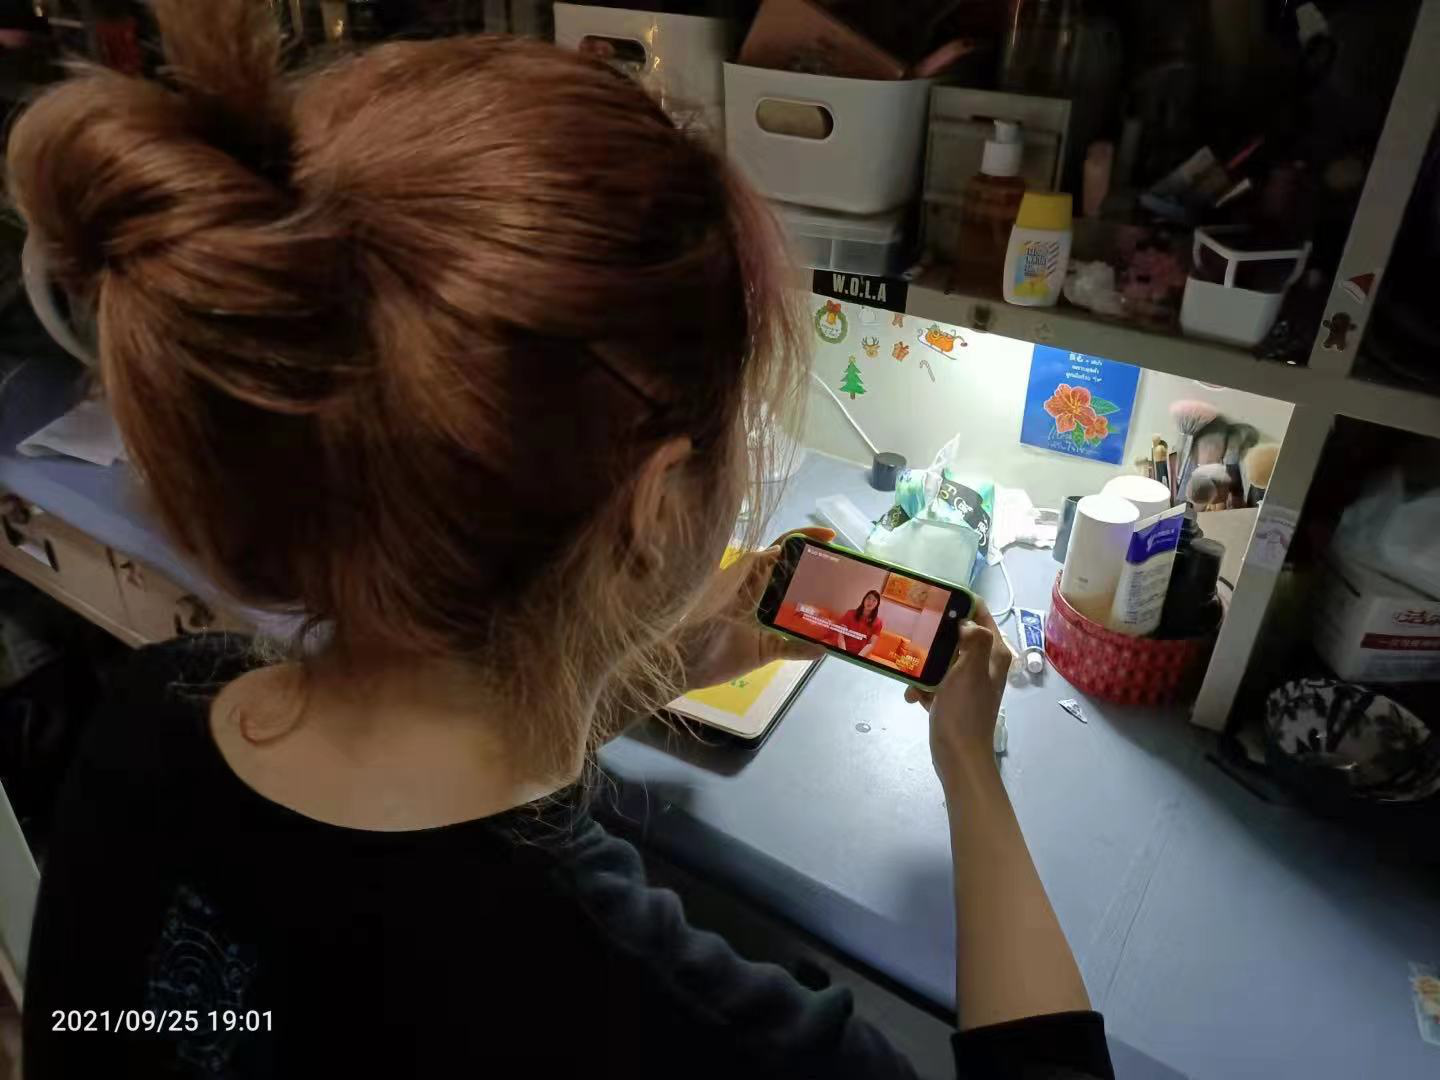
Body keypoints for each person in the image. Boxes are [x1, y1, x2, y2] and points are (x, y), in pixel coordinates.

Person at [9, 3, 1113, 1077]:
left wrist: (675, 661)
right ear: (655, 500)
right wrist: (970, 765)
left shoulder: (152, 713)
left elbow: (458, 747)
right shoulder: (671, 1025)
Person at [832, 589, 885, 656]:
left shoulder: (878, 622)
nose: (870, 602)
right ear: (864, 599)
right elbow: (841, 635)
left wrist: (858, 657)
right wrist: (844, 653)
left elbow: (871, 644)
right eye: (869, 598)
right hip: (842, 649)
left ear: (877, 605)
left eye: (874, 600)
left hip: (860, 654)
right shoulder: (850, 613)